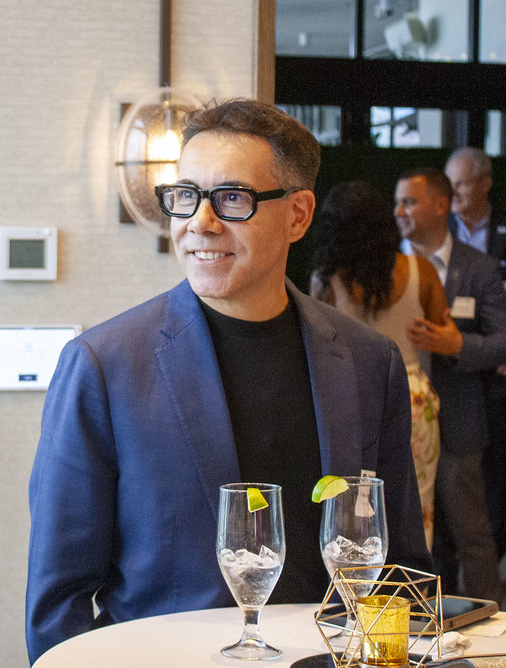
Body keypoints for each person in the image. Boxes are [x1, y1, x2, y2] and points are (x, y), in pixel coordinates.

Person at [25, 99, 431, 663]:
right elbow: (58, 599)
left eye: (232, 198)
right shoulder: (104, 364)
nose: (200, 222)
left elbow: (398, 568)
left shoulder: (369, 362)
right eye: (186, 195)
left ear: (298, 215)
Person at [394, 167, 506, 601]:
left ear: (440, 206)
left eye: (410, 202)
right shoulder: (383, 266)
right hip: (398, 424)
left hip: (458, 422)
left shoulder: (478, 268)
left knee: (472, 534)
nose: (399, 211)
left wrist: (458, 344)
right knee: (412, 535)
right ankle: (418, 623)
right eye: (397, 202)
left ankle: (493, 628)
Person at [310, 180, 447, 550]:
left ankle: (355, 578)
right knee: (419, 506)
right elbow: (441, 330)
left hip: (352, 399)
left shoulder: (326, 281)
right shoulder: (422, 271)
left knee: (352, 507)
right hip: (415, 400)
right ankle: (412, 578)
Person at [445, 147, 506, 558]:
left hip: (501, 368)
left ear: (486, 184)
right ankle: (447, 559)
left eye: (462, 183)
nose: (454, 192)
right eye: (450, 184)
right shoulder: (439, 230)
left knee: (494, 468)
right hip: (451, 366)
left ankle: (493, 555)